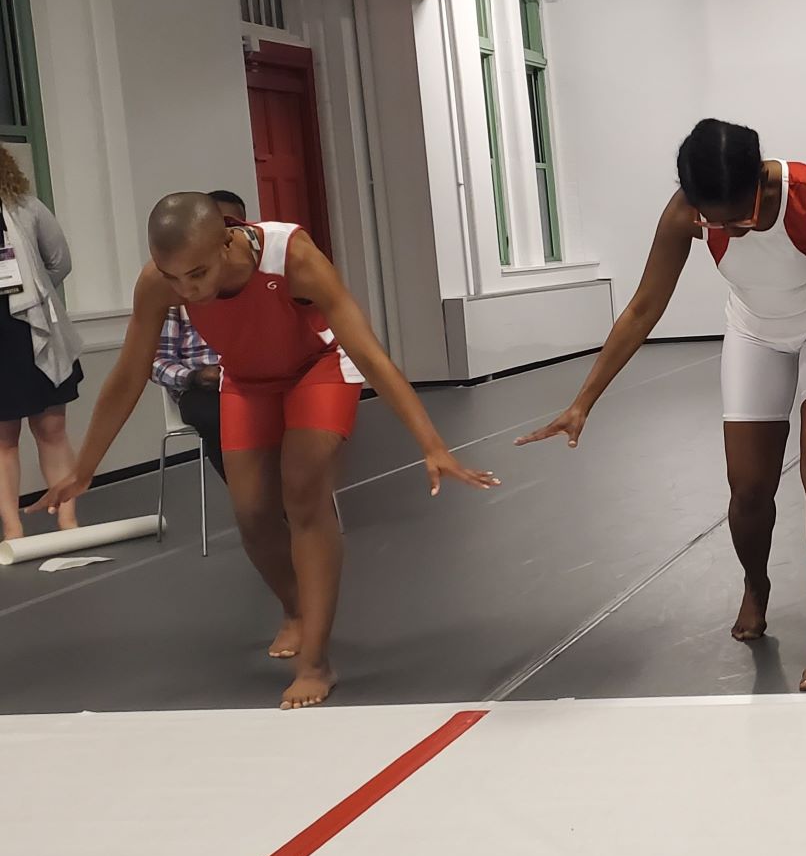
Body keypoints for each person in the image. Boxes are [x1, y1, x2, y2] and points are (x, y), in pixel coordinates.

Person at [518, 119, 806, 691]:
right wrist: (582, 402)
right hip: (754, 331)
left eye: (736, 217)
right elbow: (644, 308)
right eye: (714, 221)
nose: (727, 229)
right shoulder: (685, 215)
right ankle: (756, 583)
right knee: (747, 489)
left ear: (760, 184)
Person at [32, 194, 498, 709]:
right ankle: (298, 610)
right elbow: (128, 375)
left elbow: (367, 349)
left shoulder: (290, 255)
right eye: (175, 278)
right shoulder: (157, 284)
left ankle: (316, 661)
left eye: (199, 274)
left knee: (302, 495)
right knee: (252, 513)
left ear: (228, 239)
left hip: (317, 369)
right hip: (247, 382)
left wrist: (431, 444)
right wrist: (86, 468)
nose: (190, 291)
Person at [0, 146, 84, 540]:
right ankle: (13, 528)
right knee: (4, 441)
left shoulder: (28, 207)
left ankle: (67, 520)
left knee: (52, 431)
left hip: (33, 327)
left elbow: (59, 261)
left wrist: (34, 295)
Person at [150, 189, 249, 480]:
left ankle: (297, 502)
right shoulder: (176, 287)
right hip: (202, 388)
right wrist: (193, 376)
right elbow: (154, 362)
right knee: (219, 415)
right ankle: (253, 501)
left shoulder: (255, 279)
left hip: (255, 379)